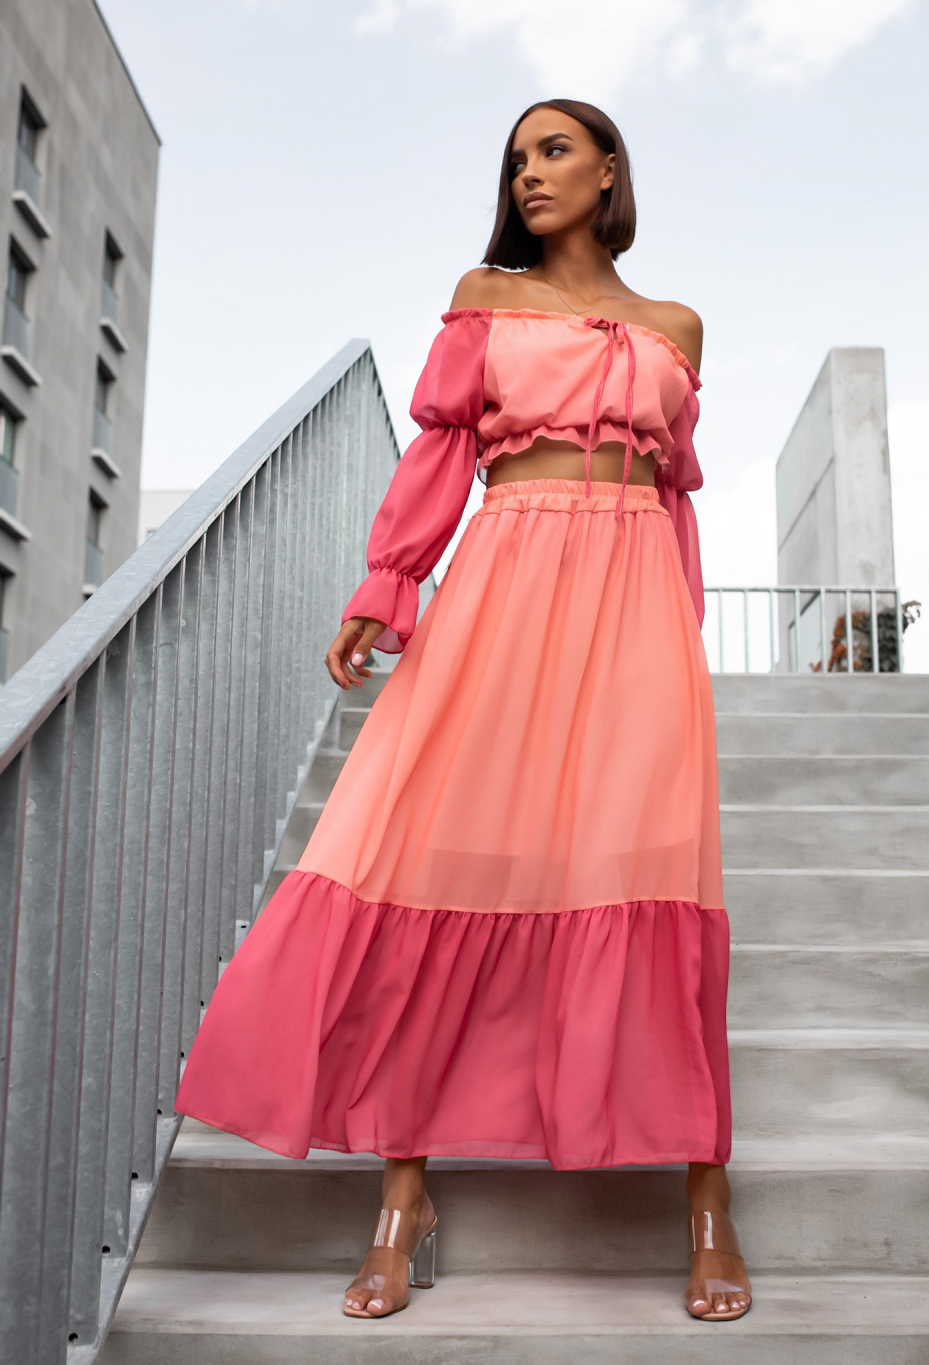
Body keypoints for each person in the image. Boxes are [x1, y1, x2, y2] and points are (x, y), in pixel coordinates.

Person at [175, 97, 751, 1324]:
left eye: (554, 151)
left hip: (635, 602)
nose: (529, 174)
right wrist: (386, 587)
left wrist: (675, 637)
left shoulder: (678, 325)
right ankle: (402, 1197)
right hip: (503, 579)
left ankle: (706, 1199)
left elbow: (675, 495)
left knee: (656, 874)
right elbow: (440, 453)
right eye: (517, 159)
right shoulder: (485, 297)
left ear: (609, 171)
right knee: (437, 861)